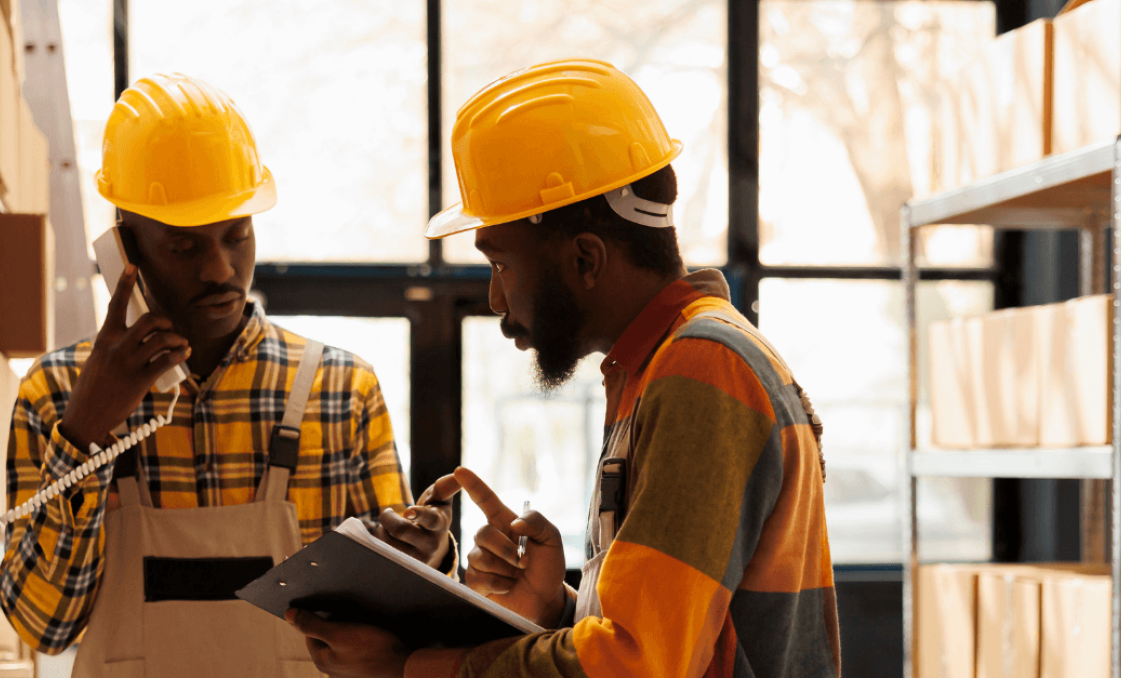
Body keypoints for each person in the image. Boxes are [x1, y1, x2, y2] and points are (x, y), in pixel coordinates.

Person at [289, 58, 840, 678]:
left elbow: (638, 668)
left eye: (500, 264)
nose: (496, 301)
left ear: (584, 258)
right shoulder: (661, 367)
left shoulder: (701, 371)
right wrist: (555, 607)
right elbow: (668, 643)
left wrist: (412, 667)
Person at [1, 73, 455, 677]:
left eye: (236, 235)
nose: (221, 270)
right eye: (185, 248)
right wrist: (84, 432)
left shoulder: (341, 391)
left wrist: (428, 558)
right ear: (124, 251)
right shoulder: (54, 395)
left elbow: (395, 638)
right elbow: (46, 628)